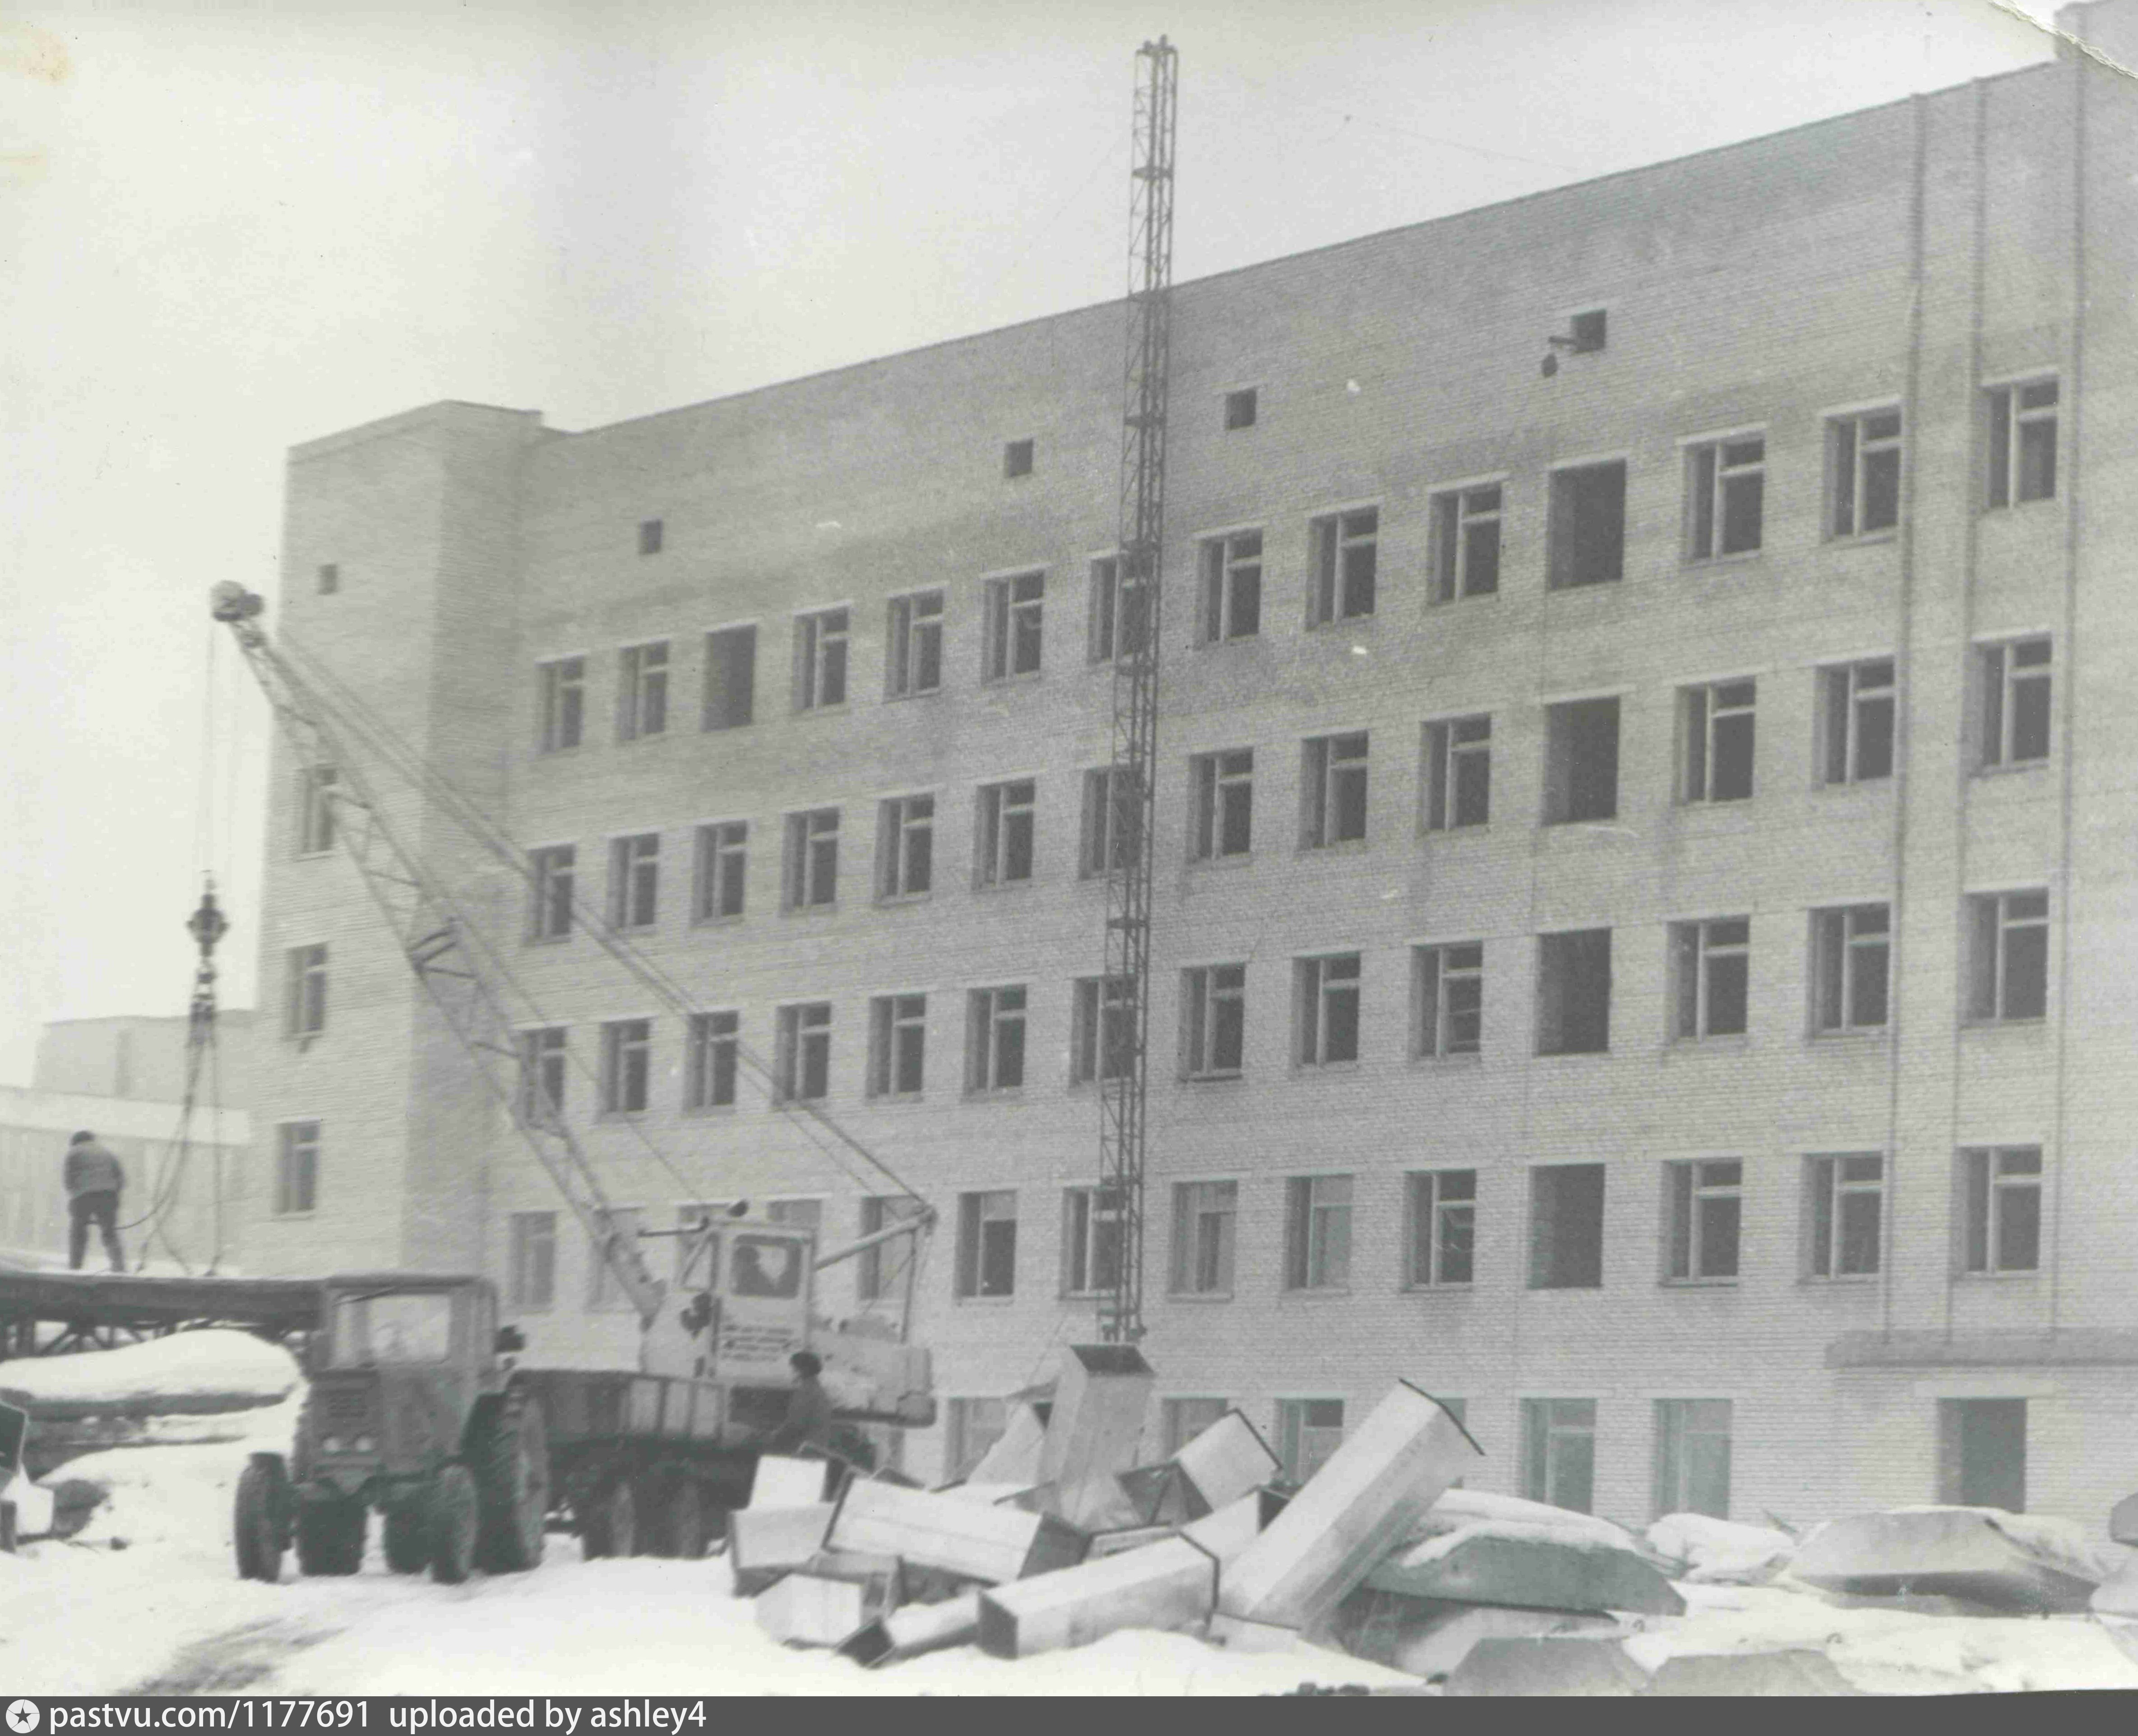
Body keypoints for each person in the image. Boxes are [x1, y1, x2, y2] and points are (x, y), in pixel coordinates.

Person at [64, 1130, 126, 1273]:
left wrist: (74, 1201)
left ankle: (75, 1267)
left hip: (83, 1196)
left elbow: (68, 1180)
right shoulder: (107, 1152)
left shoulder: (74, 1152)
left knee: (78, 1232)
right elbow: (120, 1178)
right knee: (110, 1233)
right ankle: (119, 1267)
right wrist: (114, 1197)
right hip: (108, 1195)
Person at [765, 1350, 833, 1457]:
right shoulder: (818, 1389)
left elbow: (796, 1425)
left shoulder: (806, 1392)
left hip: (804, 1450)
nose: (790, 1372)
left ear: (800, 1371)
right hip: (817, 1448)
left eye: (792, 1369)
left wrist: (774, 1435)